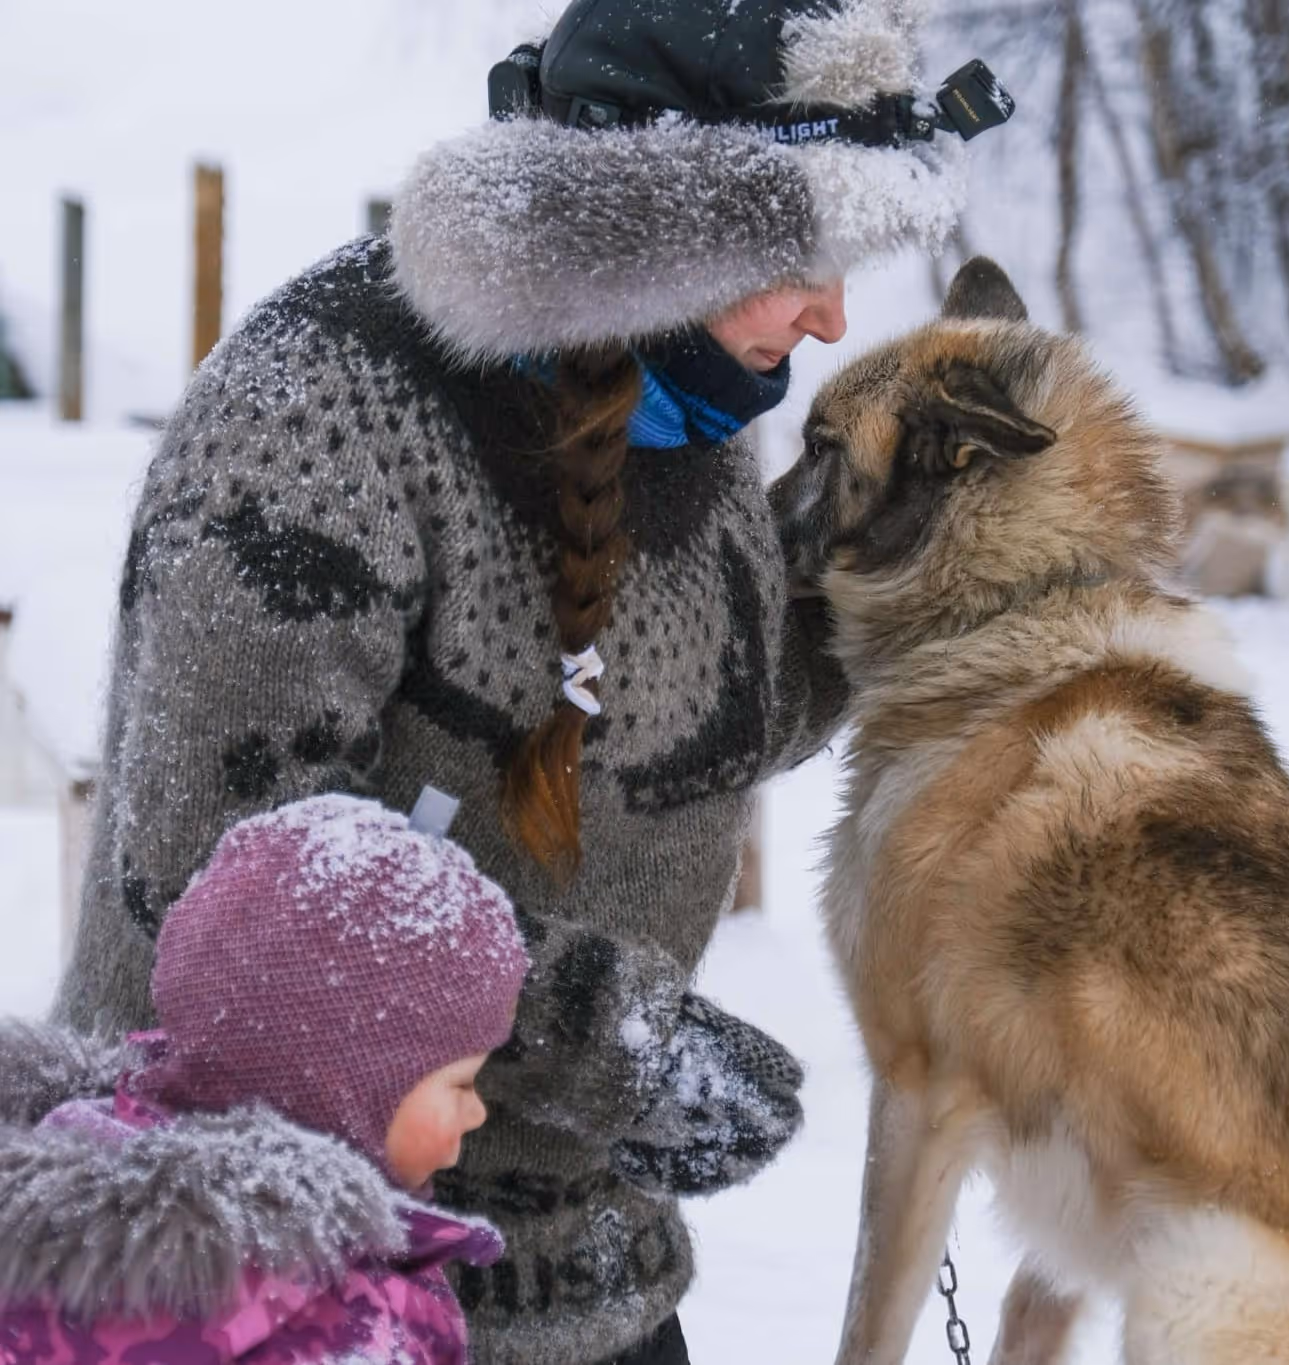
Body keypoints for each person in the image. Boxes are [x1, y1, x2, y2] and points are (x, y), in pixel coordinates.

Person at [53, 0, 967, 1360]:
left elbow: (692, 720)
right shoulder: (325, 408)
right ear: (660, 230)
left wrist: (951, 592)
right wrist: (615, 1046)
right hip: (273, 1276)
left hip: (576, 1270)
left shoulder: (685, 402)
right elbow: (221, 875)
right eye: (802, 260)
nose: (833, 316)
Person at [3, 793, 528, 1365]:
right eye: (459, 1083)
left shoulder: (70, 1191)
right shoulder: (340, 1325)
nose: (478, 1112)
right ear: (338, 1085)